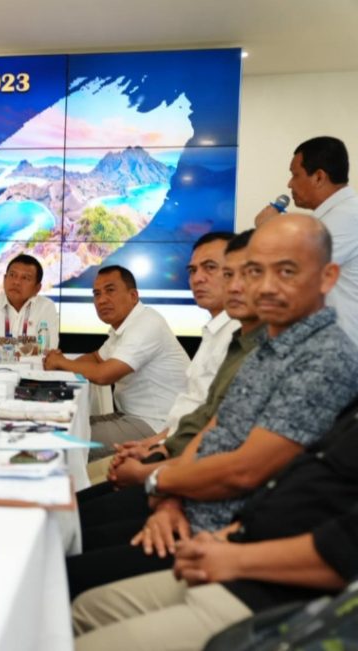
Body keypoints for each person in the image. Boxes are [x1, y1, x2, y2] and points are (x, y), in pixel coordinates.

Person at [65, 214, 358, 599]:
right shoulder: (260, 347)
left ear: (327, 277)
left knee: (68, 561)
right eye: (253, 272)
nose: (250, 285)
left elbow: (244, 472)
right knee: (65, 525)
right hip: (184, 494)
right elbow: (208, 431)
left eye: (284, 271)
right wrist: (162, 476)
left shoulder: (322, 358)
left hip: (214, 526)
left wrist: (156, 479)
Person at [72, 393, 358, 651]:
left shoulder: (332, 363)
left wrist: (234, 557)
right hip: (232, 543)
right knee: (84, 606)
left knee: (74, 602)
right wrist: (225, 534)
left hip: (282, 600)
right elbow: (282, 481)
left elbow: (246, 473)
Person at [79, 231, 264, 551]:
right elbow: (197, 418)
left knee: (75, 522)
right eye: (193, 270)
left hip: (197, 498)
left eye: (211, 268)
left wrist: (154, 473)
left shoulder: (259, 346)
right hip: (170, 457)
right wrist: (151, 447)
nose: (198, 278)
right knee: (73, 512)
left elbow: (224, 447)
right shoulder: (219, 333)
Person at [43, 265, 189, 457]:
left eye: (110, 290)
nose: (102, 300)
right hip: (130, 416)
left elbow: (104, 375)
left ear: (133, 296)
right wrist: (61, 365)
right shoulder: (124, 326)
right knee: (58, 425)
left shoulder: (146, 324)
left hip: (157, 425)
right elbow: (96, 358)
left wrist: (61, 363)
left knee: (58, 440)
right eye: (97, 294)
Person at [256, 137, 358, 345]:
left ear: (319, 177)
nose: (289, 184)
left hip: (342, 350)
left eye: (295, 175)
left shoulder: (347, 216)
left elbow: (294, 272)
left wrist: (269, 229)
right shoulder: (333, 216)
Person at [0, 253, 58, 348]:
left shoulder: (46, 307)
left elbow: (48, 350)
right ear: (4, 279)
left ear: (37, 288)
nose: (16, 282)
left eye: (25, 278)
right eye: (12, 275)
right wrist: (29, 350)